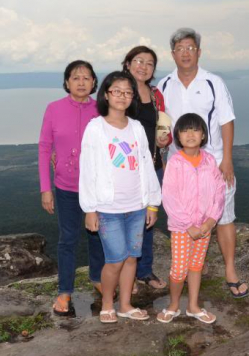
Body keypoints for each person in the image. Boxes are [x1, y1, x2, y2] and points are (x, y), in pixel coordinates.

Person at [157, 27, 249, 299]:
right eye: (180, 49)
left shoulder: (213, 82)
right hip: (179, 163)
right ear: (172, 54)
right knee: (186, 213)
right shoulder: (164, 85)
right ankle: (197, 261)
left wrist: (228, 160)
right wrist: (162, 143)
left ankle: (230, 271)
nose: (185, 53)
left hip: (214, 161)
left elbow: (226, 121)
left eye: (190, 48)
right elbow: (163, 125)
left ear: (199, 52)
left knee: (223, 215)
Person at [80, 71, 162, 323]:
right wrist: (90, 208)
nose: (122, 96)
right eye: (116, 91)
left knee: (131, 258)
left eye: (128, 92)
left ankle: (125, 304)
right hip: (108, 208)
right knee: (115, 259)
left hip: (136, 205)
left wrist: (152, 203)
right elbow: (88, 169)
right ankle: (107, 304)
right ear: (106, 94)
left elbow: (147, 164)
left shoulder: (136, 128)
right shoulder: (96, 128)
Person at [38, 60, 105, 316]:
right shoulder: (54, 109)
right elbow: (45, 148)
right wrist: (46, 188)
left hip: (97, 188)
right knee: (68, 240)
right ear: (66, 82)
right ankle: (64, 291)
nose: (81, 82)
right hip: (65, 187)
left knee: (97, 236)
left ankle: (98, 278)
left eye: (87, 78)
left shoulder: (102, 109)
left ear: (94, 83)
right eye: (75, 77)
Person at [157, 113, 225, 324]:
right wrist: (188, 225)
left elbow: (219, 191)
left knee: (196, 266)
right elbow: (169, 197)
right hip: (181, 228)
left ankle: (194, 306)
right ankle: (174, 305)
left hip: (204, 226)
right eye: (185, 130)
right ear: (177, 135)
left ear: (203, 134)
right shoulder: (175, 162)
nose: (190, 134)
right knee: (178, 270)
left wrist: (211, 221)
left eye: (195, 129)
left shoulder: (209, 160)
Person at [122, 46, 171, 290]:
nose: (143, 66)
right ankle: (124, 273)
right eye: (138, 61)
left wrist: (165, 139)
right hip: (126, 169)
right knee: (124, 220)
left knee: (148, 220)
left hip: (153, 167)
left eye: (149, 63)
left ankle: (144, 271)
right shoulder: (121, 89)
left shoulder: (155, 94)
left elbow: (162, 126)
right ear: (128, 63)